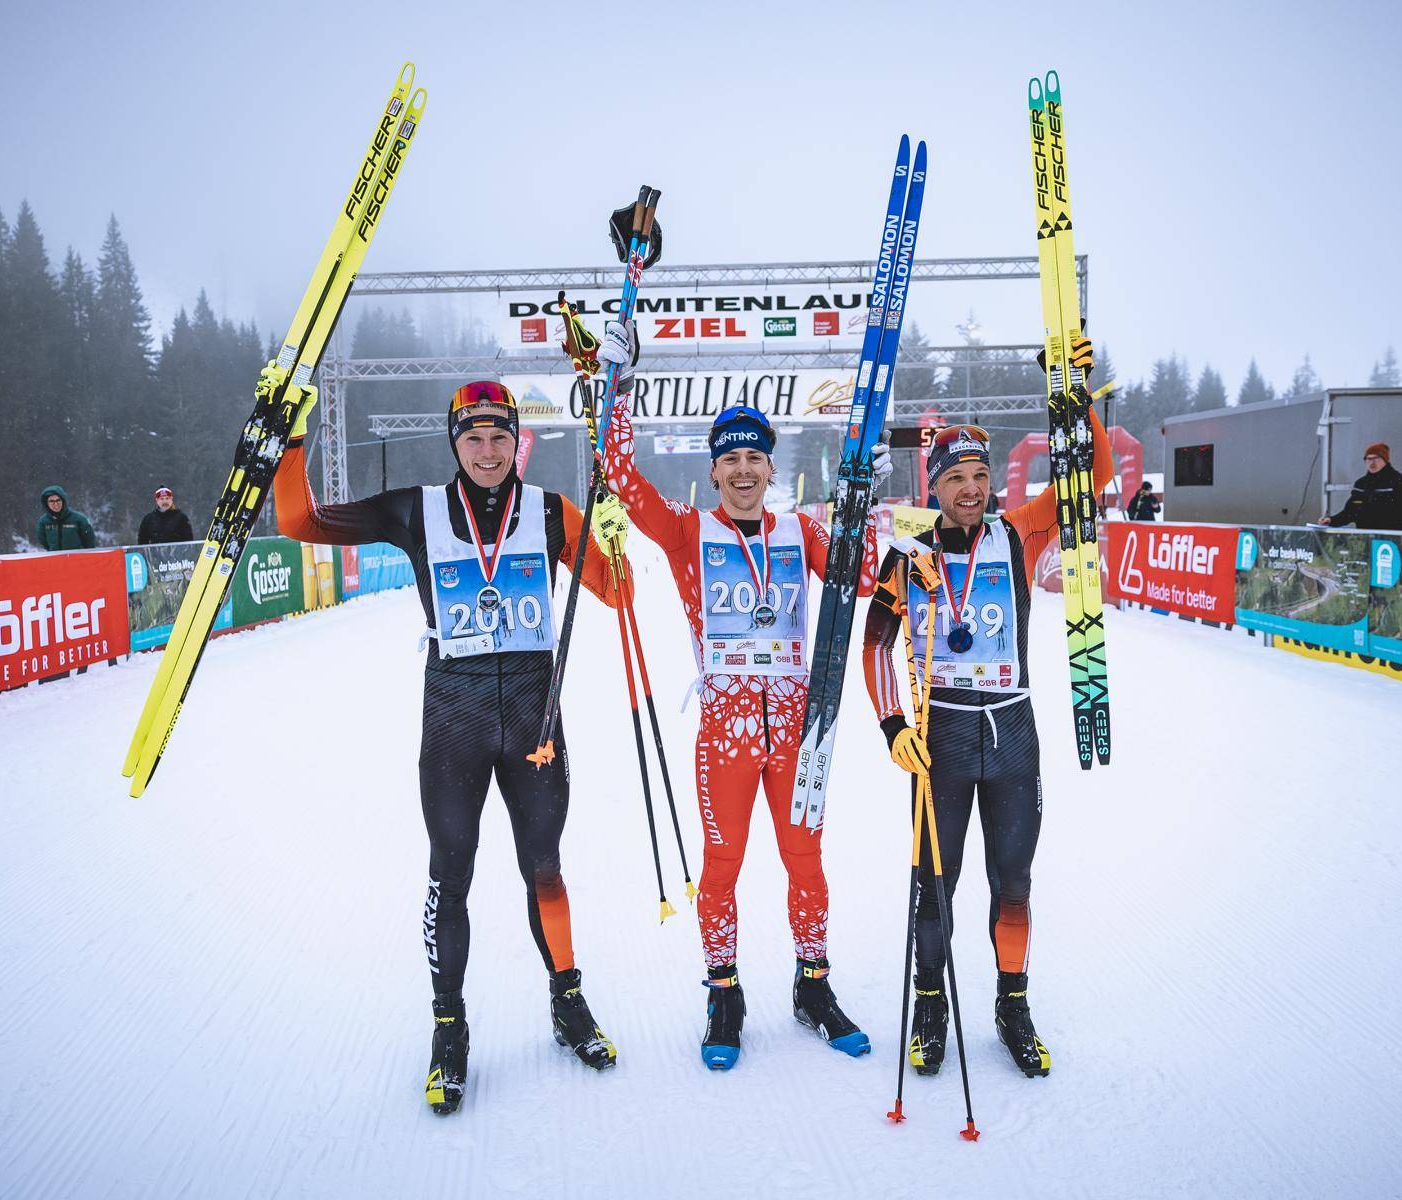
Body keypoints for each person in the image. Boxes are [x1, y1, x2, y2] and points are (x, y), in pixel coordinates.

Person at [271, 378, 632, 1116]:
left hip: (534, 717)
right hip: (455, 718)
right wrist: (294, 439)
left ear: (516, 441)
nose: (489, 451)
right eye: (474, 438)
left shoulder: (554, 511)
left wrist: (614, 532)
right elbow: (297, 521)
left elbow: (617, 592)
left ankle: (568, 1001)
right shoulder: (417, 509)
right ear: (454, 443)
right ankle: (449, 1028)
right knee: (451, 872)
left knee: (545, 867)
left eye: (500, 437)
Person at [596, 319, 888, 1071]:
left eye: (756, 457)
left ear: (771, 467)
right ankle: (724, 994)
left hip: (796, 727)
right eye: (731, 459)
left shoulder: (802, 530)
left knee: (806, 862)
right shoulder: (688, 532)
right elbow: (620, 479)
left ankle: (813, 987)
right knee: (721, 867)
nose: (745, 469)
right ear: (716, 470)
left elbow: (865, 580)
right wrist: (616, 387)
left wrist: (866, 507)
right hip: (725, 730)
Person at [860, 336, 1113, 1080]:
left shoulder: (1020, 532)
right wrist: (894, 726)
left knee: (1013, 879)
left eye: (979, 475)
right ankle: (931, 1005)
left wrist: (1070, 391)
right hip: (940, 738)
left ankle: (1012, 1003)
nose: (970, 489)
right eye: (955, 478)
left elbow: (1091, 475)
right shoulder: (909, 554)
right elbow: (876, 646)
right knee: (935, 883)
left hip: (1012, 733)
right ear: (933, 486)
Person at [1318, 442, 1402, 530]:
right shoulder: (1361, 485)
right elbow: (1350, 513)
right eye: (1368, 459)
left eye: (1375, 459)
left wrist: (1399, 535)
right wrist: (1331, 521)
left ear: (1385, 460)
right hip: (1365, 541)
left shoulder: (1401, 483)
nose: (1371, 463)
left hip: (1390, 545)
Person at [35, 486, 96, 550]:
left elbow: (90, 541)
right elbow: (43, 541)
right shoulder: (43, 522)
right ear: (46, 503)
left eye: (58, 500)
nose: (55, 504)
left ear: (63, 501)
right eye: (51, 501)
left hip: (76, 558)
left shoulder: (78, 519)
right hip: (55, 558)